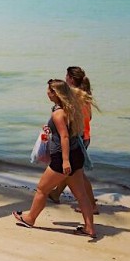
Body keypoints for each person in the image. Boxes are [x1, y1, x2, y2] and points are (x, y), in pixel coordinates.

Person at [13, 79, 97, 239]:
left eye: (50, 91)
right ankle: (89, 228)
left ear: (57, 94)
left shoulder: (58, 113)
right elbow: (68, 132)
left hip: (63, 158)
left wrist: (65, 161)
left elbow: (64, 136)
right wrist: (50, 129)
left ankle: (30, 219)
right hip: (76, 154)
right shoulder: (72, 109)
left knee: (42, 189)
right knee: (81, 195)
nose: (47, 93)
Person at [47, 66, 99, 213]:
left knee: (77, 173)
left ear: (70, 78)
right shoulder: (84, 94)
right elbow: (89, 117)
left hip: (78, 137)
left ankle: (92, 206)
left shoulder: (73, 95)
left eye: (66, 76)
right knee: (71, 171)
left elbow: (71, 117)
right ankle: (56, 193)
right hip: (84, 135)